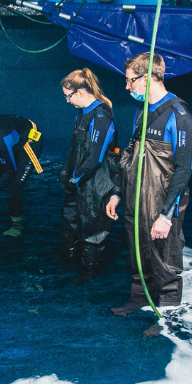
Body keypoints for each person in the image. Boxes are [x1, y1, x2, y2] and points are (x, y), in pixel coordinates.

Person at [105, 52, 192, 314]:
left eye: (130, 81)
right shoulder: (141, 112)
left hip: (162, 203)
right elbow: (130, 157)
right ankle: (139, 298)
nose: (127, 87)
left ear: (147, 78)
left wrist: (167, 215)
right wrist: (116, 193)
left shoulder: (180, 115)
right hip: (136, 199)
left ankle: (168, 315)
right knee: (136, 252)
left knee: (165, 258)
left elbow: (183, 169)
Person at [59, 69, 119, 282]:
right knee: (70, 225)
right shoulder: (81, 113)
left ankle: (89, 279)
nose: (67, 100)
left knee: (92, 233)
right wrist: (67, 174)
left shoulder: (101, 115)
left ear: (81, 92)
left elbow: (95, 157)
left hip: (95, 184)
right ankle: (68, 270)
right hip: (78, 182)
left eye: (68, 96)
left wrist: (76, 178)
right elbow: (75, 147)